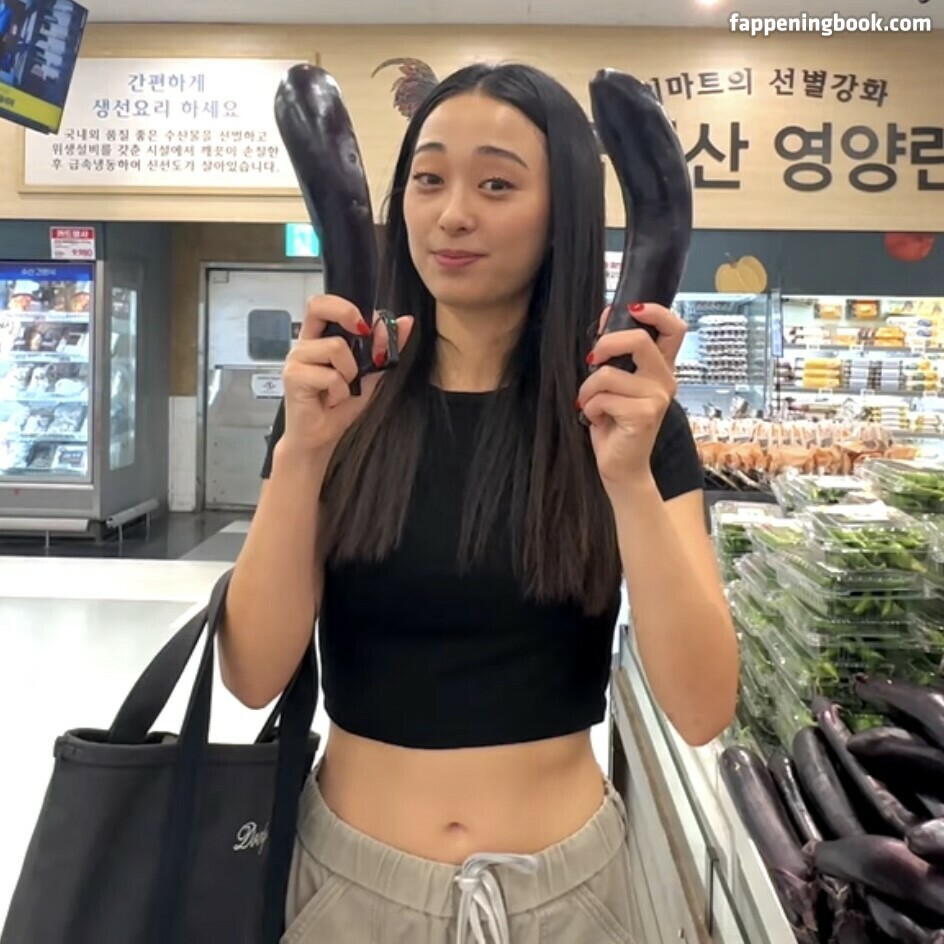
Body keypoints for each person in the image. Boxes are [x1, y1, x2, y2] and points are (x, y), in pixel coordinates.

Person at [219, 62, 739, 944]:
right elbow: (251, 675)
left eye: (497, 184)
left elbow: (700, 709)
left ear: (563, 211)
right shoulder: (342, 397)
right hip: (346, 891)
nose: (452, 213)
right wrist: (303, 454)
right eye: (428, 179)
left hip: (567, 898)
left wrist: (627, 478)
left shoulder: (626, 412)